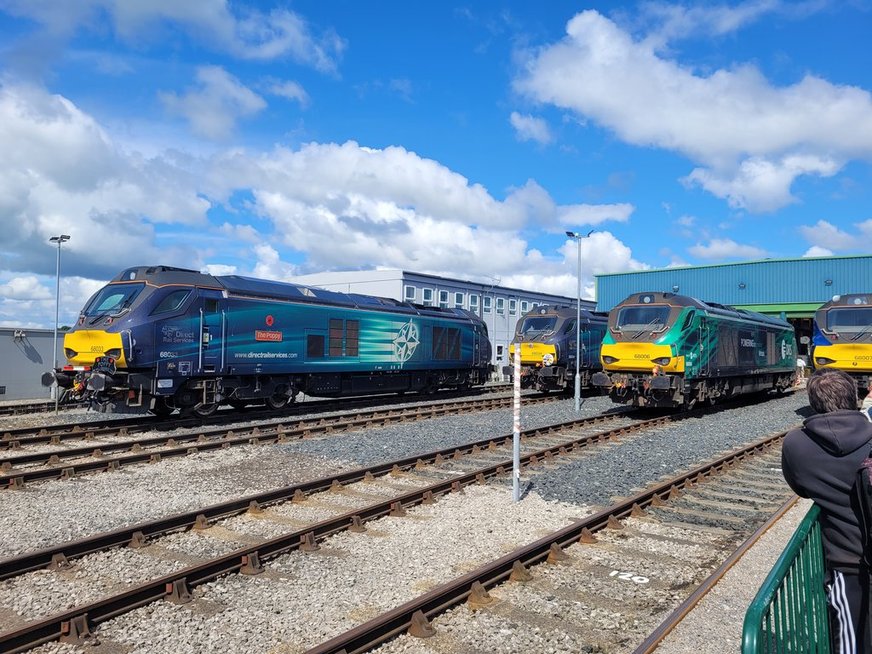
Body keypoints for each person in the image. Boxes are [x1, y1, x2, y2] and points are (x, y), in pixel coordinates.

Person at [782, 368, 872, 653]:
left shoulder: (796, 445)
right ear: (855, 397)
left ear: (814, 403)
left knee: (850, 644)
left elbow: (800, 488)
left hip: (848, 566)